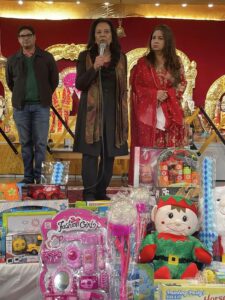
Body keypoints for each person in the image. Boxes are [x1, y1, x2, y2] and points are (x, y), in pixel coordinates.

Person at [74, 18, 128, 201]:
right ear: (94, 36)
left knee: (108, 154)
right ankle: (89, 194)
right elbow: (80, 84)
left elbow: (123, 87)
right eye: (99, 32)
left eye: (106, 31)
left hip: (113, 113)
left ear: (112, 36)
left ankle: (100, 191)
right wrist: (94, 67)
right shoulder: (85, 56)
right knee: (90, 153)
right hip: (91, 112)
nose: (103, 35)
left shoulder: (121, 57)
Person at [129, 24, 187, 184]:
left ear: (167, 41)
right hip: (149, 117)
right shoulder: (143, 63)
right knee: (151, 152)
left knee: (171, 153)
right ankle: (147, 186)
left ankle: (171, 186)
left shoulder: (176, 62)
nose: (155, 41)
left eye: (160, 38)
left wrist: (168, 95)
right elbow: (137, 88)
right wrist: (154, 95)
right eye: (154, 38)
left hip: (171, 116)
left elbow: (182, 83)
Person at [6, 25, 59, 184]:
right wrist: (21, 95)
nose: (25, 38)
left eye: (28, 35)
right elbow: (10, 83)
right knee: (25, 144)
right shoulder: (12, 59)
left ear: (35, 37)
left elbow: (53, 81)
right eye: (22, 36)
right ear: (19, 40)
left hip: (41, 107)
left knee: (41, 144)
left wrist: (43, 95)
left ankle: (39, 177)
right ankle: (28, 177)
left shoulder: (46, 57)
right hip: (21, 108)